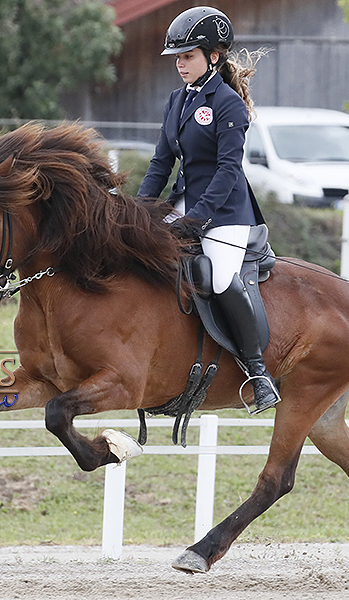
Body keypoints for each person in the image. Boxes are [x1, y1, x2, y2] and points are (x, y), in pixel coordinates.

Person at [138, 6, 279, 413]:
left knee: (218, 279)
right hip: (185, 201)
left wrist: (196, 220)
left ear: (212, 56)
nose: (180, 65)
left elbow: (227, 170)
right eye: (177, 59)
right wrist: (142, 209)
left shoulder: (229, 104)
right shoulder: (176, 100)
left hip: (226, 211)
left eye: (187, 57)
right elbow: (161, 162)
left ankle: (258, 373)